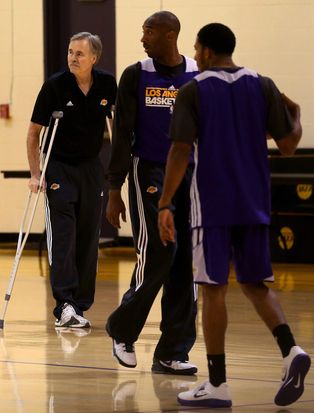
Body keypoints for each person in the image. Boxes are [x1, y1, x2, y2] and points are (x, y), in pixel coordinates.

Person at [158, 23, 311, 407]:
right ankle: (291, 350)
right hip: (255, 203)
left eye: (195, 48)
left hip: (212, 205)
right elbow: (290, 146)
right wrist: (295, 115)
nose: (194, 55)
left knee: (213, 290)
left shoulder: (194, 90)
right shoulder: (263, 84)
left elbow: (179, 150)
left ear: (207, 51)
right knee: (257, 285)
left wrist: (164, 203)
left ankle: (218, 383)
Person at [105, 11, 198, 375]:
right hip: (149, 171)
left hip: (189, 174)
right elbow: (122, 133)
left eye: (149, 31)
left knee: (185, 262)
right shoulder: (135, 74)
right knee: (160, 251)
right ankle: (122, 330)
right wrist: (115, 188)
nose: (142, 37)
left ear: (170, 33)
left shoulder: (195, 73)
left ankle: (173, 351)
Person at [27, 32, 117, 328]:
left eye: (79, 54)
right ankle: (64, 304)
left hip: (91, 167)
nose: (72, 58)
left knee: (89, 236)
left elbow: (116, 126)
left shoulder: (106, 84)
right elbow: (33, 134)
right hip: (59, 168)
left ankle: (80, 304)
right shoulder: (55, 86)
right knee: (63, 235)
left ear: (94, 58)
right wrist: (35, 174)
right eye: (69, 52)